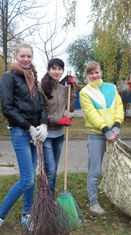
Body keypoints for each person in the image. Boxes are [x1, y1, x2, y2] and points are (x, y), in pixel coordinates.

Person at [0, 43, 48, 235]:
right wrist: (29, 127)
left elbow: (41, 105)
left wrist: (43, 125)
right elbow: (7, 108)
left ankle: (27, 215)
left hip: (34, 133)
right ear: (15, 56)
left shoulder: (32, 77)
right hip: (20, 132)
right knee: (27, 179)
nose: (26, 59)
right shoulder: (8, 77)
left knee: (29, 177)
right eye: (22, 56)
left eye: (29, 56)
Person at [79, 61, 124, 215]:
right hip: (97, 135)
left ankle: (119, 198)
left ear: (101, 72)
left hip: (115, 133)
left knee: (117, 168)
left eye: (96, 72)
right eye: (91, 73)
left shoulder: (111, 87)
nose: (94, 75)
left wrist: (117, 125)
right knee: (95, 170)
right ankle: (93, 202)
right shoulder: (85, 92)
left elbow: (119, 106)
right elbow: (91, 114)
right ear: (87, 75)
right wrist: (106, 130)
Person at [40, 58, 76, 194]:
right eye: (54, 68)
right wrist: (59, 120)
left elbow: (71, 108)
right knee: (51, 169)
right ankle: (47, 199)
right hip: (46, 134)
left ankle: (49, 196)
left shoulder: (63, 89)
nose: (57, 71)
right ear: (48, 70)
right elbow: (42, 113)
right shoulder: (42, 87)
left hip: (60, 135)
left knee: (53, 169)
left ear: (62, 71)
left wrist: (72, 90)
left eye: (59, 69)